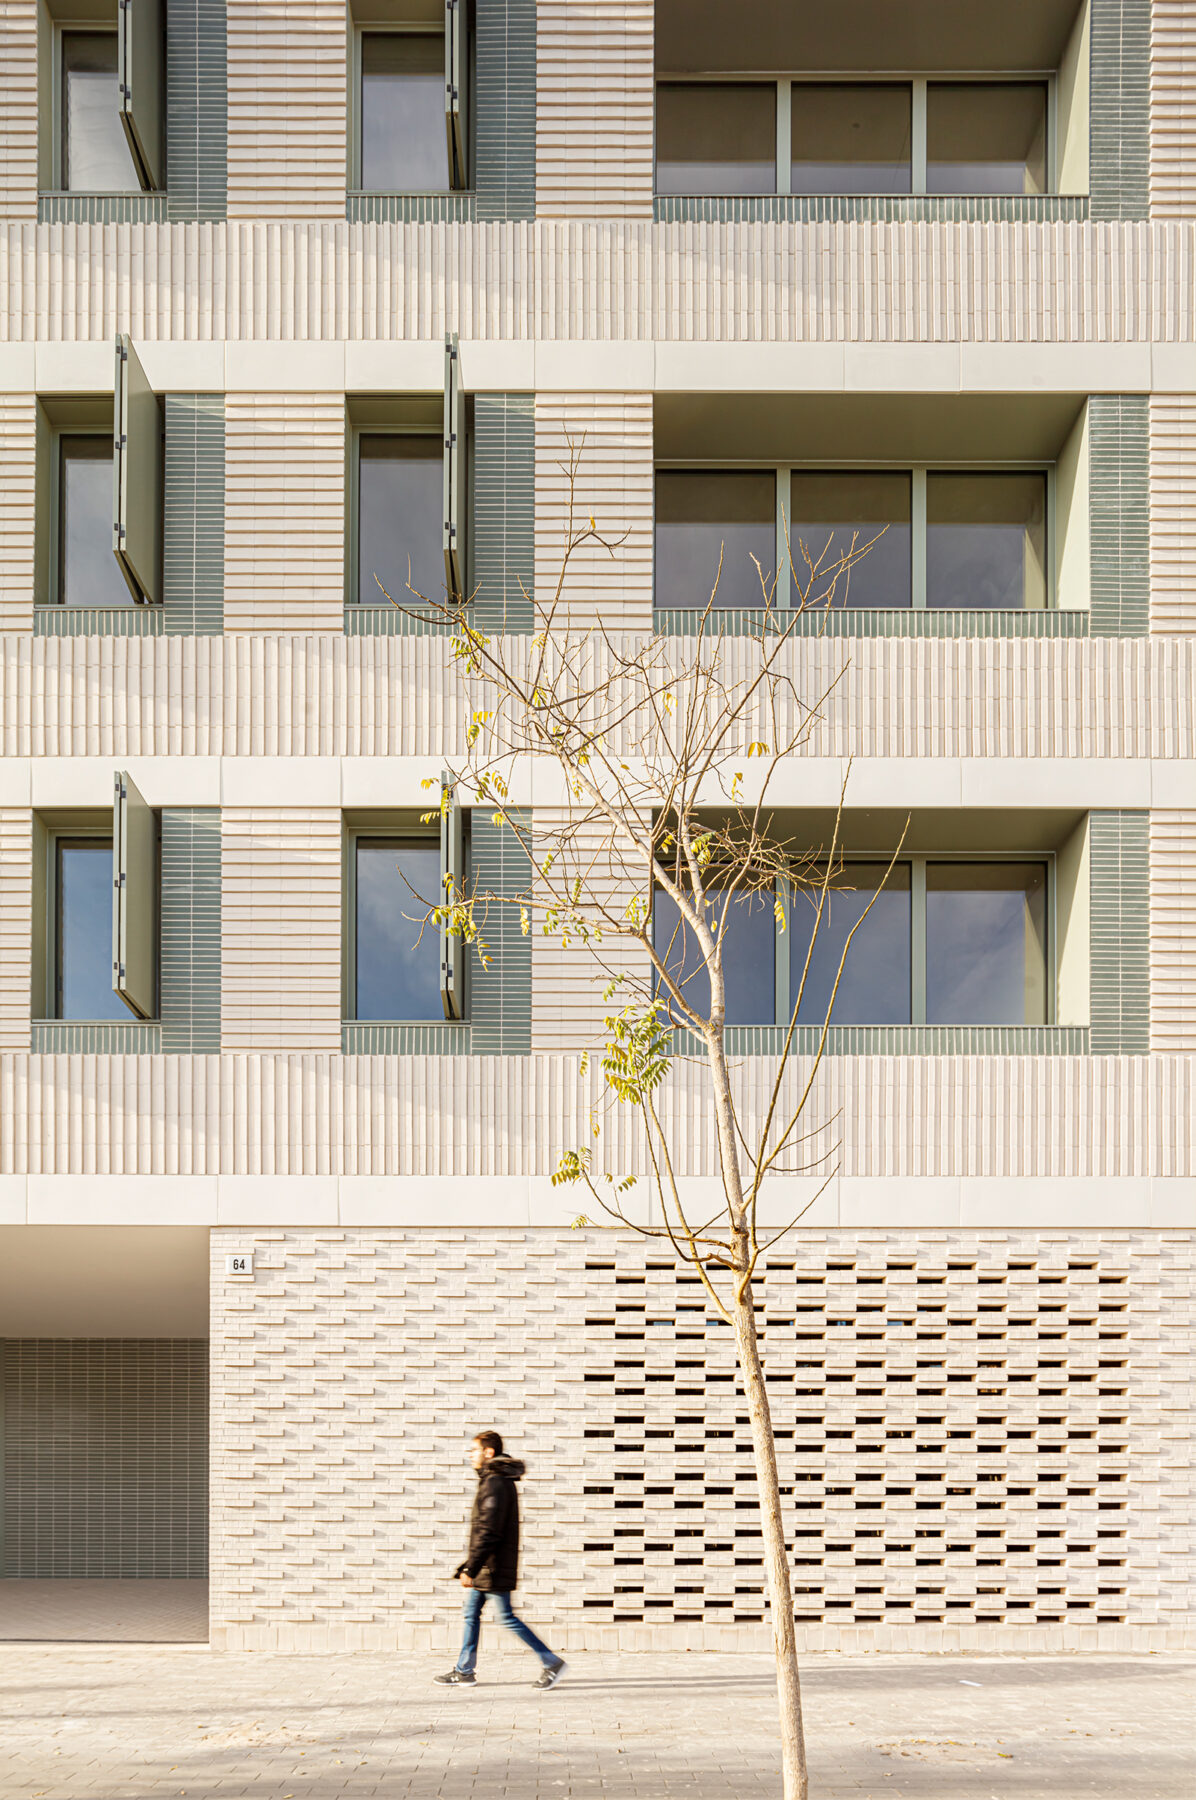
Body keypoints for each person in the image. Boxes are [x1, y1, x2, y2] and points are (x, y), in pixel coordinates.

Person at [433, 1430, 566, 1690]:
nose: (471, 1456)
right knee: (471, 1613)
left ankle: (551, 1662)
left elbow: (490, 1531)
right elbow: (484, 1530)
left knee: (506, 1617)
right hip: (486, 1566)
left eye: (474, 1451)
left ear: (489, 1452)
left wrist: (471, 1567)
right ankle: (464, 1670)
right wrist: (469, 1564)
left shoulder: (495, 1482)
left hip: (491, 1568)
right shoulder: (495, 1480)